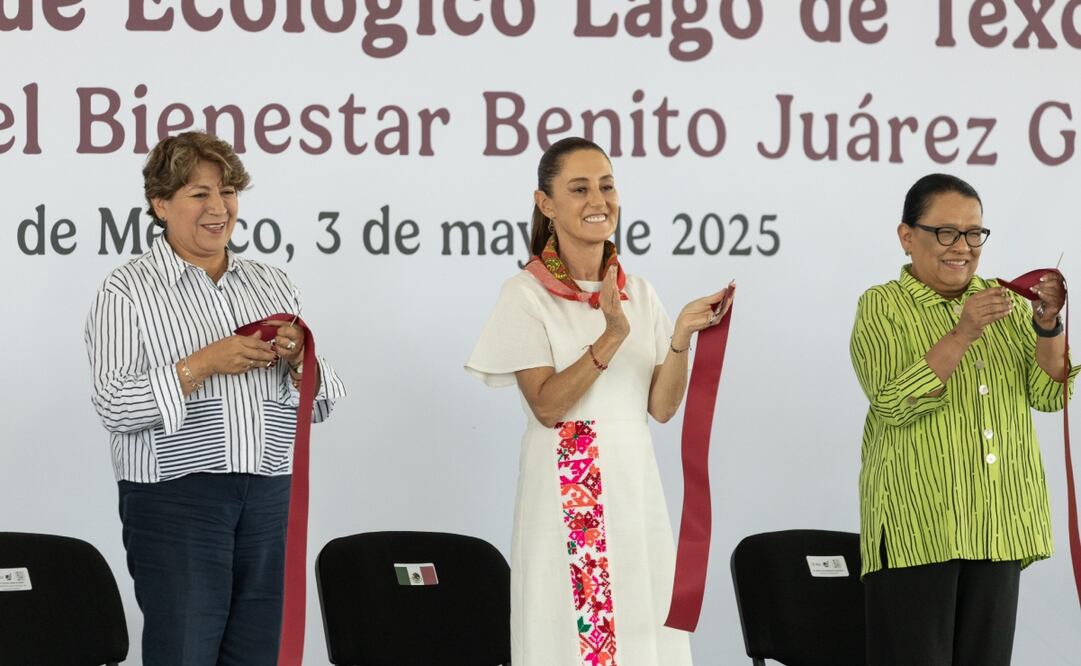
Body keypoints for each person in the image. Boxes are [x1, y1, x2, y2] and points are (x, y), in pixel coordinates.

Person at [465, 136, 733, 666]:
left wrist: (679, 337)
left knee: (643, 626)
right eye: (579, 188)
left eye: (607, 187)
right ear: (545, 204)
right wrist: (610, 335)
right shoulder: (526, 293)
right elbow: (546, 405)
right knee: (578, 638)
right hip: (572, 476)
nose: (598, 201)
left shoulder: (641, 291)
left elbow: (660, 407)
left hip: (633, 479)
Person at [84, 131, 346, 665]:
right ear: (160, 204)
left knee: (260, 653)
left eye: (227, 191)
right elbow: (114, 404)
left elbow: (322, 404)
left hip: (269, 496)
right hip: (176, 499)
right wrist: (202, 363)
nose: (218, 207)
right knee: (185, 653)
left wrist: (300, 360)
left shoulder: (271, 283)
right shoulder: (127, 290)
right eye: (198, 193)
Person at [849, 173, 1076, 665]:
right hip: (918, 531)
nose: (964, 246)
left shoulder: (1010, 304)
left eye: (974, 233)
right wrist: (963, 332)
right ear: (907, 236)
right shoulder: (882, 305)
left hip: (999, 525)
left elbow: (1049, 394)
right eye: (946, 232)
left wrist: (1047, 325)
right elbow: (891, 400)